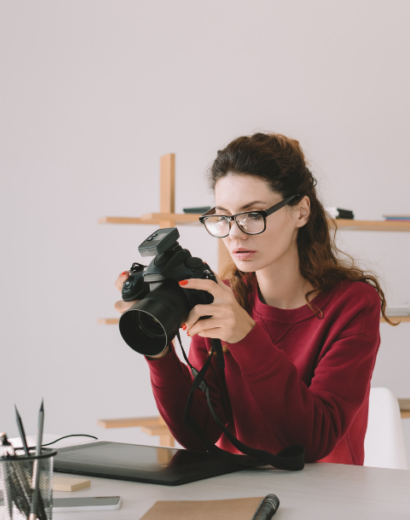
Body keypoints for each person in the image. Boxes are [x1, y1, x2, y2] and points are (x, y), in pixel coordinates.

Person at [114, 132, 391, 465]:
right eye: (223, 217)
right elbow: (196, 433)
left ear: (301, 212)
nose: (234, 233)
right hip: (236, 497)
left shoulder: (353, 303)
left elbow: (313, 442)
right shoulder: (223, 295)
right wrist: (158, 349)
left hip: (325, 500)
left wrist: (246, 336)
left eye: (252, 214)